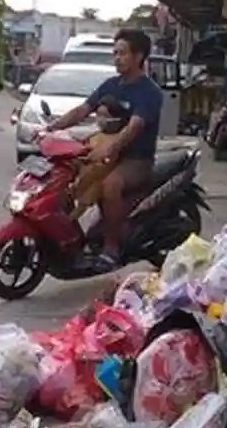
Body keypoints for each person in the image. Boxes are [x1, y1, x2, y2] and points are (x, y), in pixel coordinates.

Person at [45, 28, 164, 272]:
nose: (116, 58)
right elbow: (83, 109)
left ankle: (112, 248)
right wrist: (52, 128)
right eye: (115, 53)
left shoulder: (149, 92)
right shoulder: (111, 85)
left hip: (136, 160)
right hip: (109, 152)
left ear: (139, 56)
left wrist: (110, 147)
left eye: (122, 53)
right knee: (68, 176)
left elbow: (134, 127)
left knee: (111, 185)